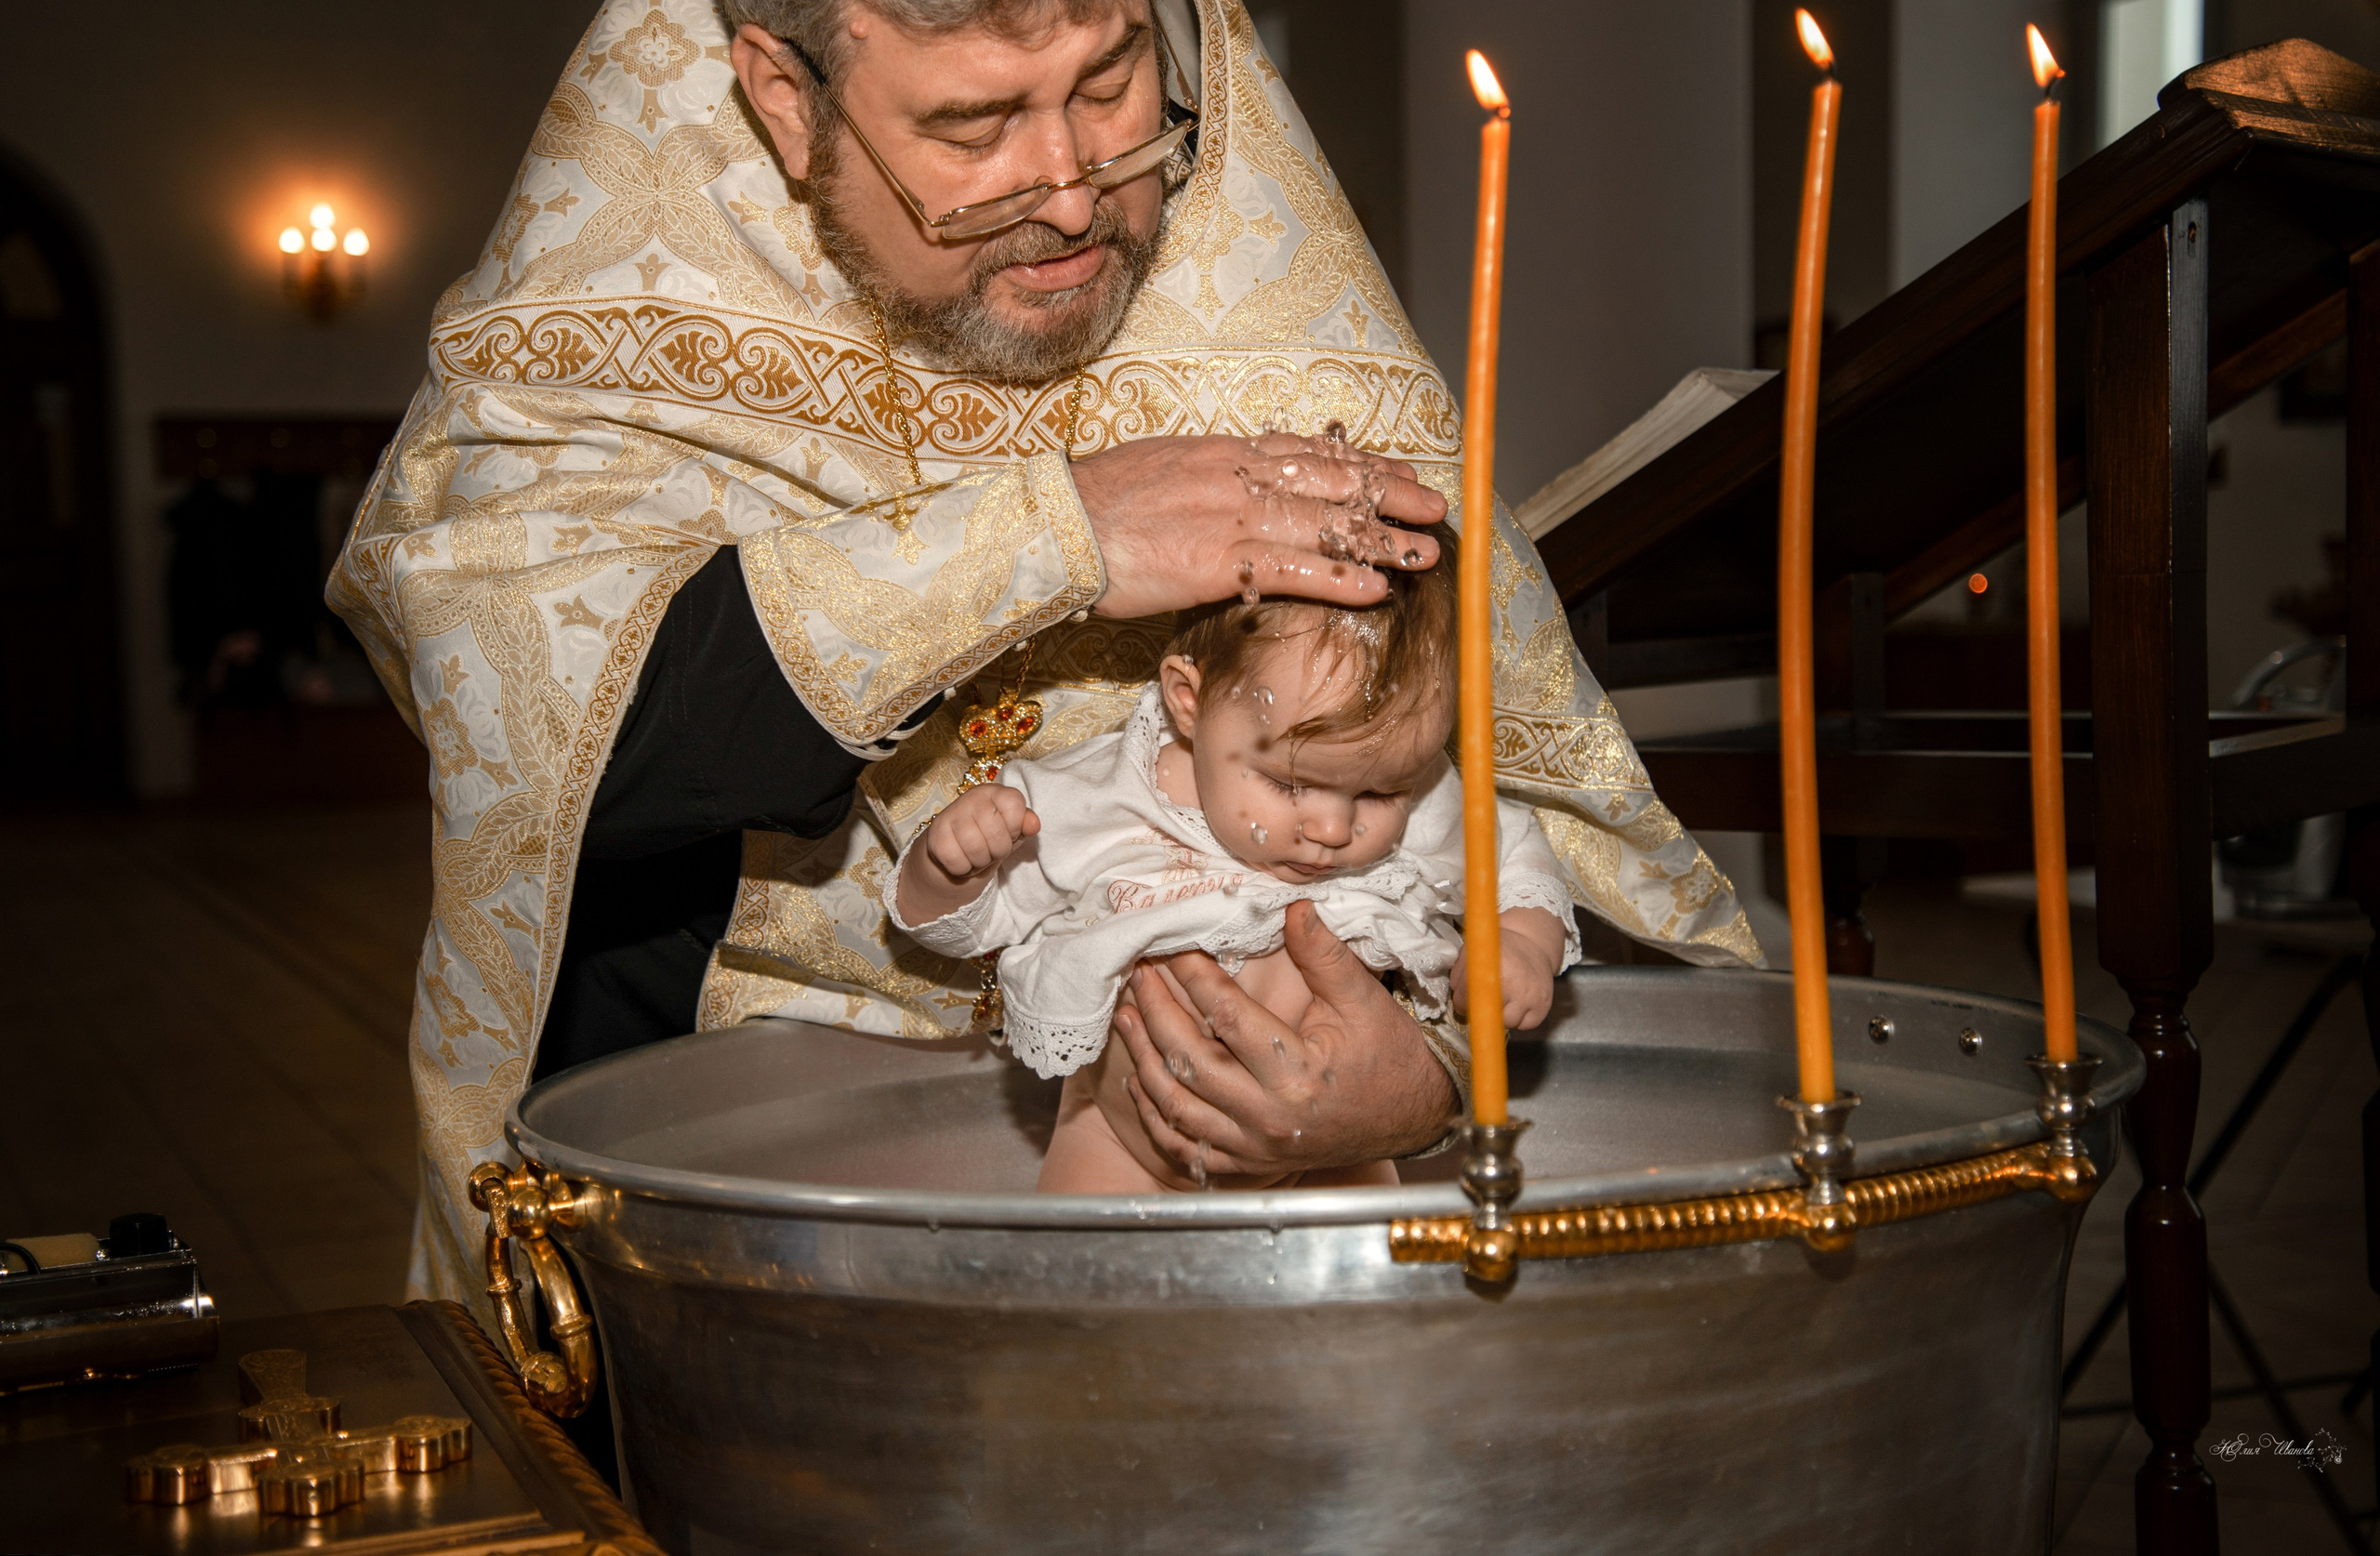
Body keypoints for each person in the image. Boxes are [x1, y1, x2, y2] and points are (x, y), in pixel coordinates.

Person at [330, 0, 1760, 1312]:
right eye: (974, 126)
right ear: (785, 96)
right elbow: (535, 728)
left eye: (1111, 82)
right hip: (760, 1183)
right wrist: (1053, 536)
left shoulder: (1256, 276)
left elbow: (1516, 816)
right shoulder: (639, 263)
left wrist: (1430, 1068)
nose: (1075, 194)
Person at [892, 536, 1578, 1193]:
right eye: (1288, 783)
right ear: (1189, 702)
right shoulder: (1094, 800)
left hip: (1334, 1157)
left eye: (1380, 793)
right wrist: (947, 871)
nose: (1333, 830)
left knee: (1365, 1274)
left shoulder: (1421, 795)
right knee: (1082, 1274)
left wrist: (1520, 940)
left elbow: (1512, 850)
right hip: (1119, 1148)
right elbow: (966, 930)